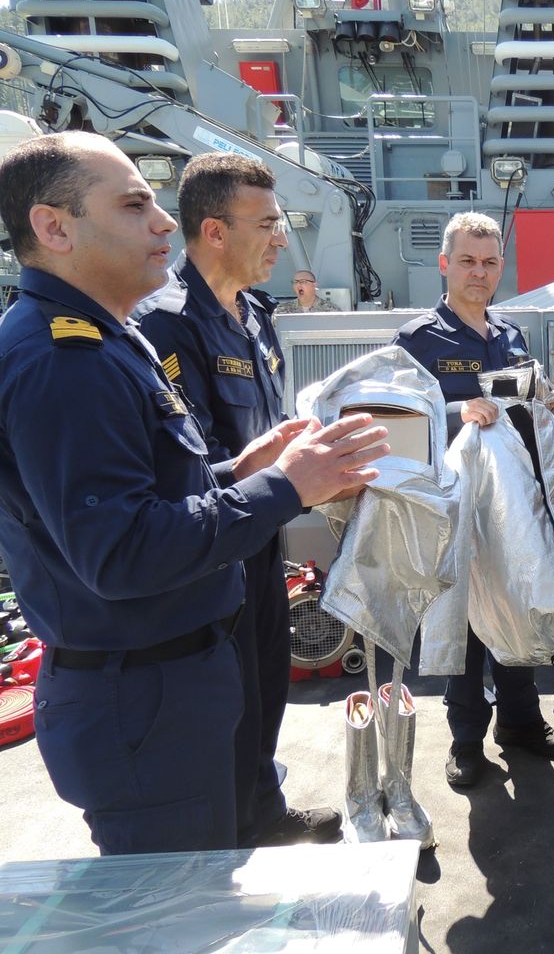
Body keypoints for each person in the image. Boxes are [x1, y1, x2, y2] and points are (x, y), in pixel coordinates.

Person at [0, 131, 387, 856]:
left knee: (215, 878)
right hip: (143, 702)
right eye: (134, 204)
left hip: (172, 680)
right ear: (53, 227)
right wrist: (283, 488)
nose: (161, 223)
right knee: (177, 914)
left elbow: (157, 488)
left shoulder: (109, 340)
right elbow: (119, 553)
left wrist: (242, 471)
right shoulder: (64, 359)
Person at [136, 153, 342, 848]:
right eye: (268, 223)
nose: (281, 237)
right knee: (226, 705)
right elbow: (182, 467)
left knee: (266, 689)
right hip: (212, 547)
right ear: (215, 232)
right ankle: (229, 840)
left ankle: (263, 807)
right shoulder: (166, 324)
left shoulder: (255, 316)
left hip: (264, 538)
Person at [394, 211, 554, 789]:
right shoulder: (418, 339)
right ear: (445, 264)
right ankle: (466, 740)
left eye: (490, 262)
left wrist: (549, 406)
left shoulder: (510, 335)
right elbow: (392, 426)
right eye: (467, 260)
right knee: (464, 626)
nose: (479, 272)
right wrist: (453, 412)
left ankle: (520, 724)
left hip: (512, 509)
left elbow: (525, 405)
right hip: (455, 510)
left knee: (515, 610)